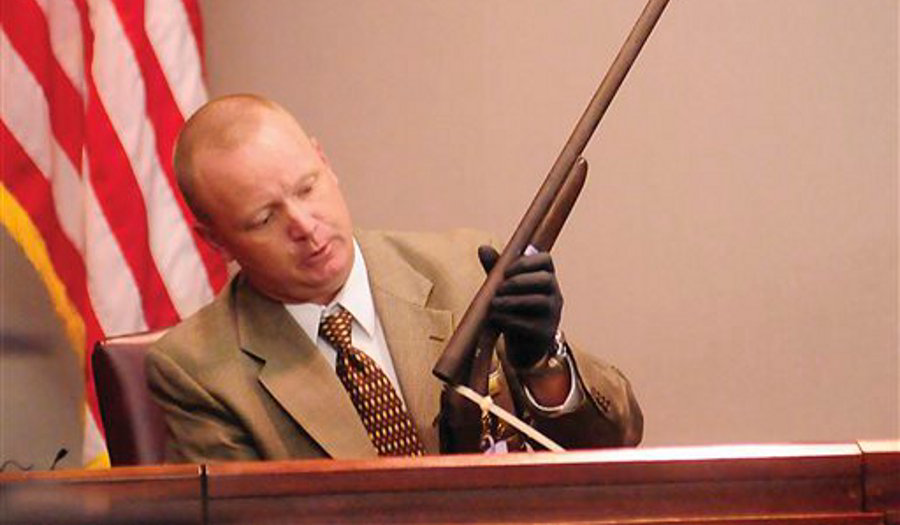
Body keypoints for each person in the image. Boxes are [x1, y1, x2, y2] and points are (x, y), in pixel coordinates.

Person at [146, 94, 642, 461]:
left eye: (307, 188)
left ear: (325, 162)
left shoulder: (463, 268)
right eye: (263, 219)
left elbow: (617, 440)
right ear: (215, 241)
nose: (304, 225)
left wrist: (544, 363)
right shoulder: (198, 370)